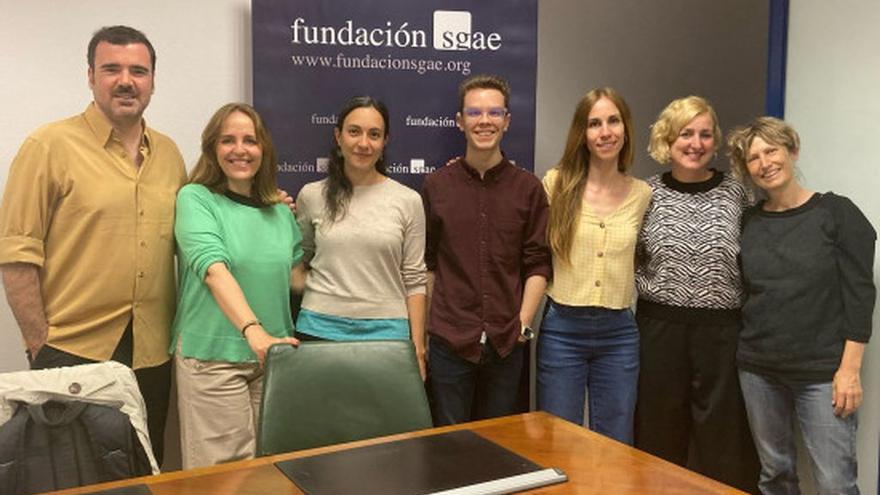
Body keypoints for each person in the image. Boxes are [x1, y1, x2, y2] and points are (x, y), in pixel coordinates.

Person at [0, 25, 185, 465]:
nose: (126, 80)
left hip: (152, 352)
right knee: (72, 472)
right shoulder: (48, 146)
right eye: (112, 69)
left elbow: (203, 229)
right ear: (90, 76)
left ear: (153, 80)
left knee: (144, 465)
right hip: (72, 350)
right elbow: (15, 255)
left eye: (138, 70)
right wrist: (39, 344)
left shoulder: (171, 155)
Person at [728, 116, 875, 495]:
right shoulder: (749, 221)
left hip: (822, 375)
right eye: (754, 158)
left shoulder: (836, 213)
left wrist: (850, 370)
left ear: (792, 151)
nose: (765, 163)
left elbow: (860, 294)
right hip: (758, 370)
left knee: (834, 483)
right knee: (774, 475)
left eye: (771, 151)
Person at [633, 96, 759, 492]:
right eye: (686, 133)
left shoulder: (738, 194)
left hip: (721, 332)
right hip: (659, 329)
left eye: (705, 134)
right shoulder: (645, 194)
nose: (696, 143)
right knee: (658, 432)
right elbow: (630, 257)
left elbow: (752, 262)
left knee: (722, 438)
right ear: (667, 140)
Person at [171, 103, 303, 468]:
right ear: (212, 148)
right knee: (225, 478)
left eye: (250, 140)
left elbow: (295, 278)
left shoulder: (279, 210)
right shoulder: (195, 198)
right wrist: (252, 330)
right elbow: (213, 270)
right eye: (228, 140)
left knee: (268, 470)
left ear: (264, 149)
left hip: (272, 356)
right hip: (213, 358)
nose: (240, 149)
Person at [422, 74, 552, 426]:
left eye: (494, 112)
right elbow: (429, 264)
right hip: (450, 339)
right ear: (459, 121)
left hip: (506, 342)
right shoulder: (436, 186)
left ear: (507, 121)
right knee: (449, 443)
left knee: (501, 445)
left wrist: (523, 325)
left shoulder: (529, 189)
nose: (484, 121)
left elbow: (538, 264)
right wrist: (428, 333)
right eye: (475, 112)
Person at [538, 87, 650, 444]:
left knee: (616, 441)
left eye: (613, 121)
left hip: (618, 333)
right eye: (594, 123)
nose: (605, 132)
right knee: (559, 439)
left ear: (626, 128)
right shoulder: (556, 185)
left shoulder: (642, 194)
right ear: (582, 135)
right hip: (562, 331)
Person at [293, 96, 428, 376]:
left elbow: (414, 280)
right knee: (322, 420)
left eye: (374, 134)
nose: (363, 143)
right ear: (338, 137)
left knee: (389, 421)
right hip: (319, 330)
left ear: (385, 141)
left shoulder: (408, 200)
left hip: (388, 335)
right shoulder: (311, 195)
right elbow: (301, 260)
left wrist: (418, 347)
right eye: (354, 131)